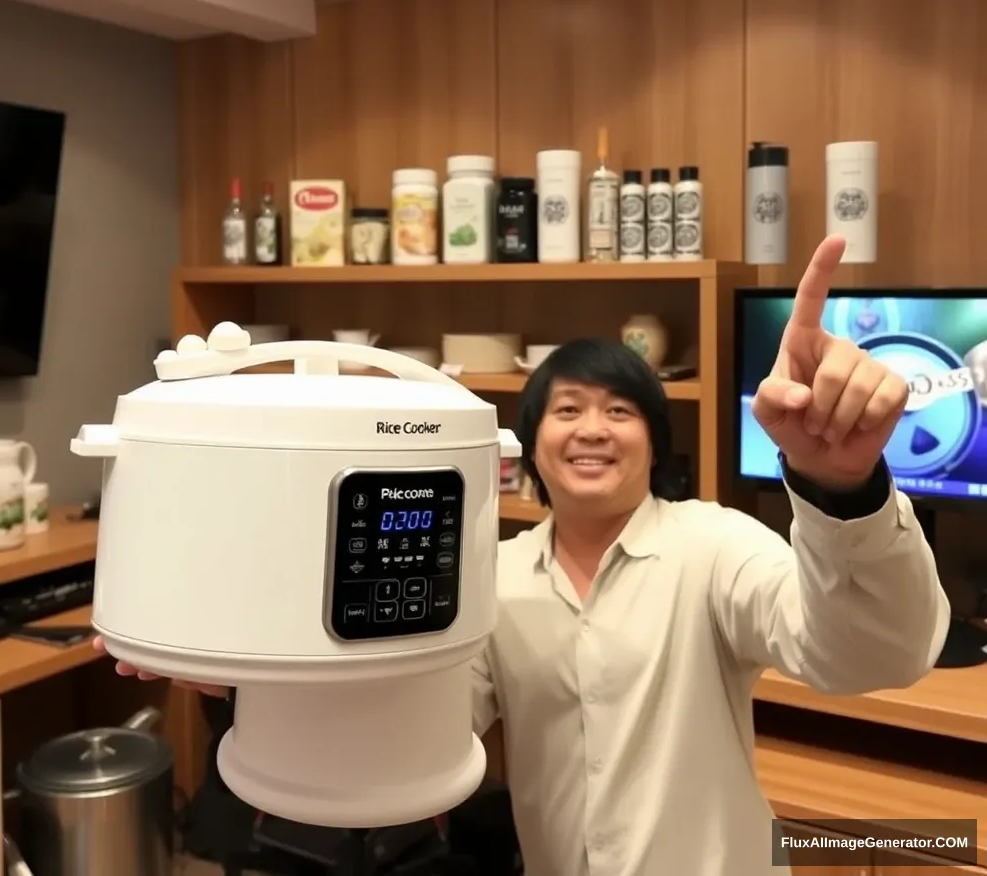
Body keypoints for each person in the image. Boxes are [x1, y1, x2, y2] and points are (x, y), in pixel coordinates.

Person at [95, 235, 949, 875]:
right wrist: (255, 675)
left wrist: (844, 486)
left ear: (657, 444)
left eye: (621, 411)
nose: (591, 430)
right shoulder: (489, 578)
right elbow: (414, 729)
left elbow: (869, 652)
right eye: (566, 409)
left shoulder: (714, 546)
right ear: (528, 449)